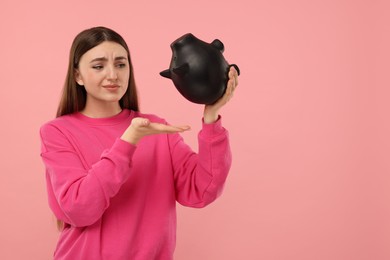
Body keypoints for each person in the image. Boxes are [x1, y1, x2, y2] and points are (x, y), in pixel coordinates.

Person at [39, 26, 238, 260]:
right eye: (98, 66)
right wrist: (128, 141)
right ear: (77, 76)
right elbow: (79, 210)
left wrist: (211, 117)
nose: (113, 74)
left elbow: (202, 190)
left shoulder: (155, 128)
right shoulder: (57, 132)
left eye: (121, 64)